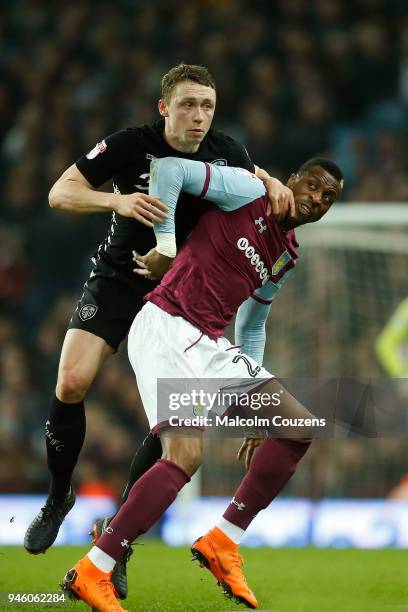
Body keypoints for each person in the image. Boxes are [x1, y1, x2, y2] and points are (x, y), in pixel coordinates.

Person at [24, 63, 294, 597]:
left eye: (208, 107)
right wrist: (116, 200)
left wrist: (273, 179)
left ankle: (116, 540)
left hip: (178, 298)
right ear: (163, 107)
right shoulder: (131, 145)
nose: (198, 116)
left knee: (169, 423)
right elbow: (61, 192)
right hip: (120, 279)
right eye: (188, 105)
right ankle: (59, 496)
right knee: (72, 382)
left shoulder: (227, 152)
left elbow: (253, 176)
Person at [61, 155, 343, 611]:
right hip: (168, 326)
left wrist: (254, 400)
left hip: (208, 343)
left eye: (328, 197)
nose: (317, 199)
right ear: (292, 179)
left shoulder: (286, 254)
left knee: (296, 426)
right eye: (312, 186)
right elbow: (169, 170)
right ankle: (95, 568)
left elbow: (252, 325)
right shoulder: (249, 192)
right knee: (185, 456)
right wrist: (167, 245)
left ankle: (223, 541)